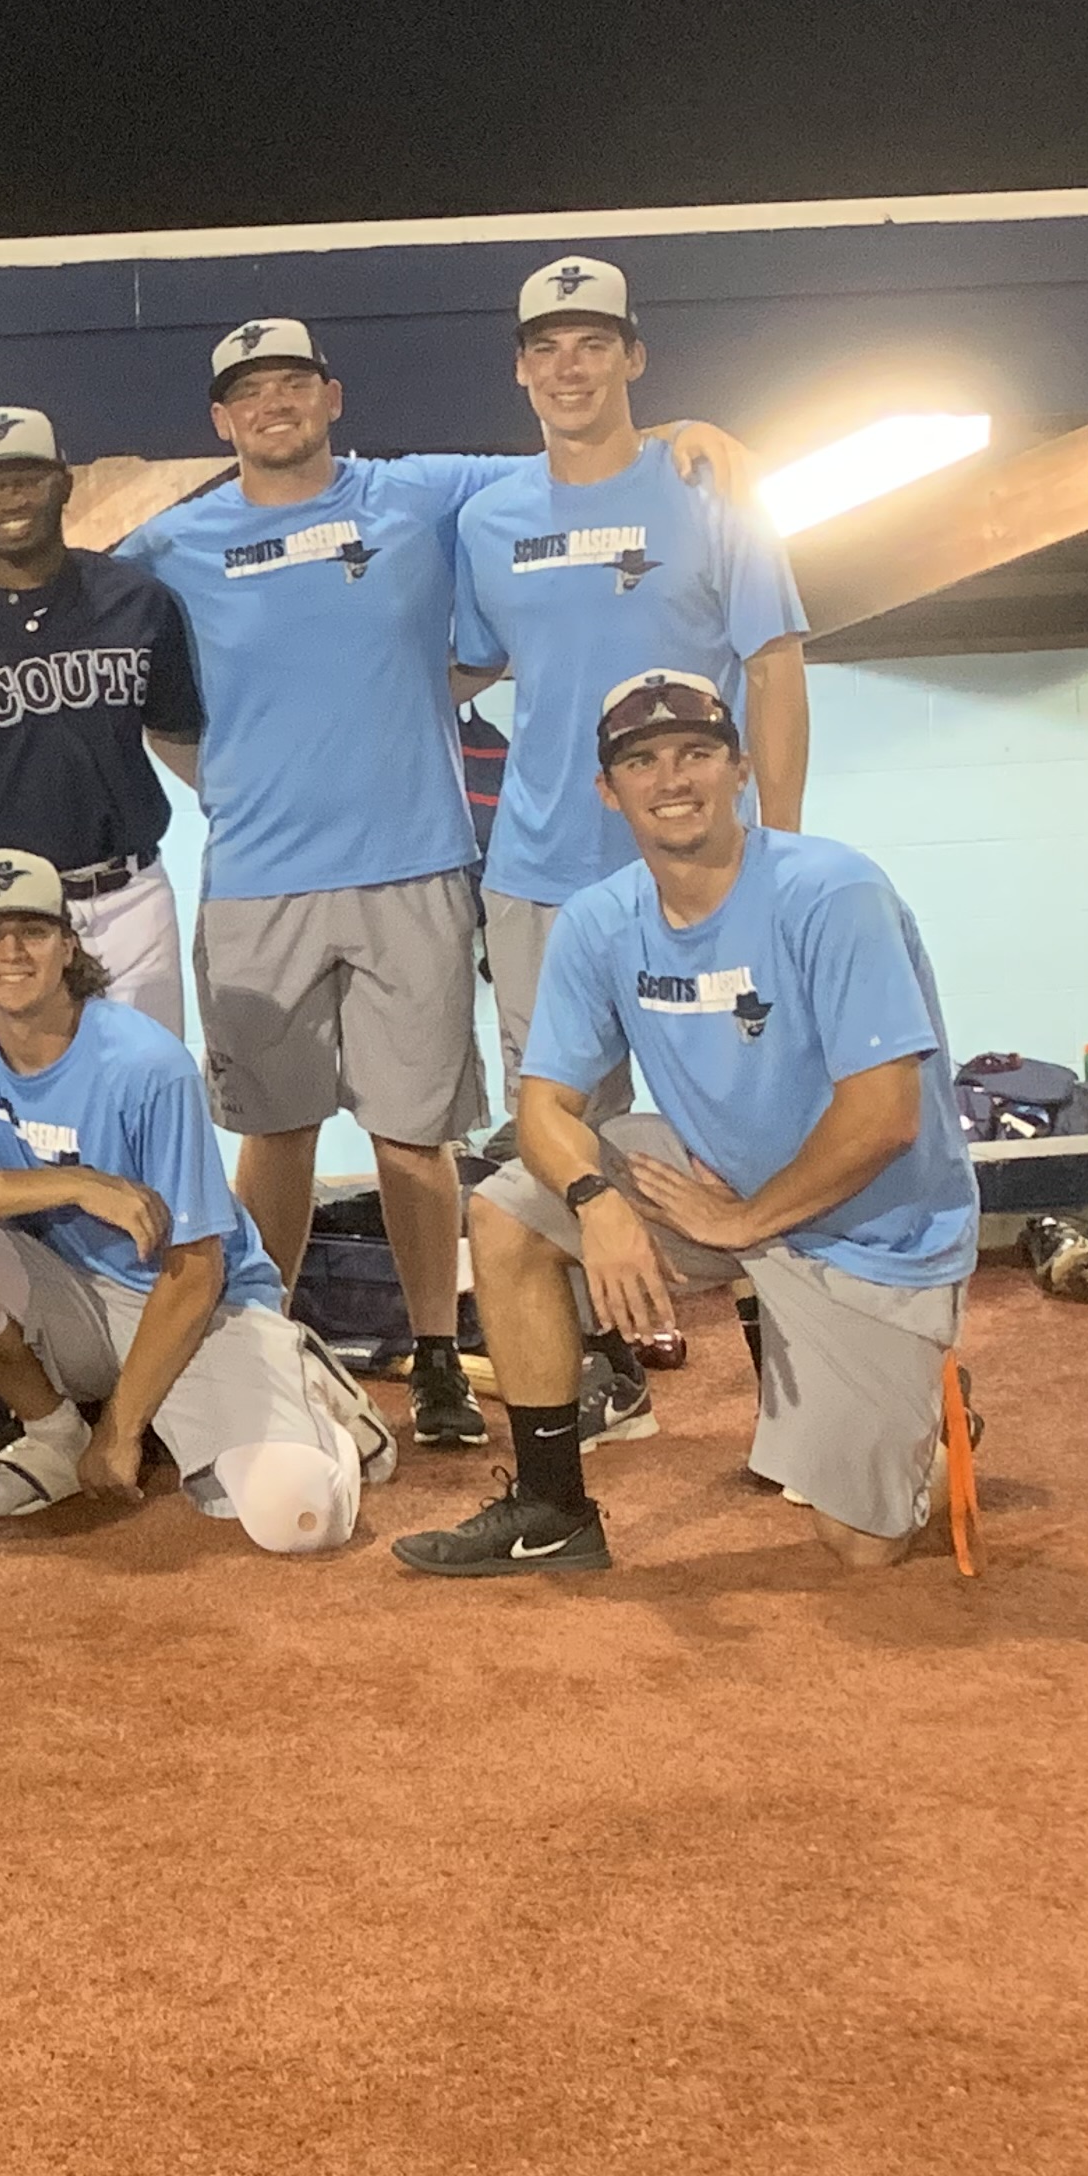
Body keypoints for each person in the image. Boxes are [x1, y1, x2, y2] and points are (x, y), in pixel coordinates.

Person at [0, 320, 749, 1453]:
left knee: (413, 1140)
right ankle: (266, 1338)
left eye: (292, 383)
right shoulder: (174, 541)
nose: (273, 405)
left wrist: (685, 431)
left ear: (332, 395)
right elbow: (50, 569)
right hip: (258, 880)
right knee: (276, 1132)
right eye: (249, 392)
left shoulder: (419, 492)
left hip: (415, 867)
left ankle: (437, 1356)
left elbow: (569, 455)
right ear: (220, 420)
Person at [398, 673, 982, 1578]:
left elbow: (884, 1120)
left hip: (873, 1234)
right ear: (609, 790)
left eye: (696, 753)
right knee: (509, 1209)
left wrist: (746, 1221)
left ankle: (933, 1430)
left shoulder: (833, 891)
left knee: (863, 1547)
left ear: (739, 770)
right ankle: (552, 1510)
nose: (671, 778)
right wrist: (595, 1201)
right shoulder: (601, 920)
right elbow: (543, 1107)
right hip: (713, 1185)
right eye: (641, 761)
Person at [452, 256, 811, 1431]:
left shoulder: (711, 492)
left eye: (594, 343)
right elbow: (460, 665)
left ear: (634, 358)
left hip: (702, 877)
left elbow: (774, 669)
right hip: (540, 882)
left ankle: (798, 1398)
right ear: (520, 370)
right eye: (547, 348)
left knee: (754, 1133)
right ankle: (606, 1384)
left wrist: (778, 858)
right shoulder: (489, 519)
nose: (570, 367)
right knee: (557, 1145)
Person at [0, 850, 391, 1548]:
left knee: (298, 1519)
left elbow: (197, 1269)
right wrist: (75, 1182)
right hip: (70, 1295)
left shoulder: (148, 1065)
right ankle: (54, 1436)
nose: (11, 952)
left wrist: (120, 1431)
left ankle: (318, 1397)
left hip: (195, 1306)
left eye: (33, 930)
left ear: (69, 945)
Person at [0, 405, 205, 1028]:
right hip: (0, 912)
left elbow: (175, 730)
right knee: (22, 1086)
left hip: (129, 897)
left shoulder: (137, 601)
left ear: (65, 482)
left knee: (150, 1075)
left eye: (28, 479)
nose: (10, 498)